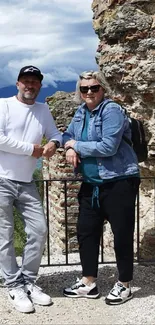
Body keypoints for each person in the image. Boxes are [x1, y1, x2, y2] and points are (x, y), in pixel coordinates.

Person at [62, 70, 140, 305]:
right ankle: (89, 282)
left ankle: (124, 283)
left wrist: (77, 144)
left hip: (119, 181)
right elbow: (67, 133)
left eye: (94, 88)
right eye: (84, 89)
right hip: (91, 184)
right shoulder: (80, 112)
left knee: (122, 234)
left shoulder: (112, 110)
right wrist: (69, 147)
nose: (89, 92)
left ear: (102, 89)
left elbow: (108, 147)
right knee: (86, 232)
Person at [0, 65, 62, 313]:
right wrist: (34, 149)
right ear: (17, 84)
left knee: (39, 230)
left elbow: (55, 133)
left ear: (39, 85)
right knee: (4, 237)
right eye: (26, 81)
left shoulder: (43, 109)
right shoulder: (3, 104)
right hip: (1, 179)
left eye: (34, 82)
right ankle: (13, 285)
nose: (30, 85)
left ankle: (28, 280)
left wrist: (55, 143)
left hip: (27, 182)